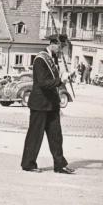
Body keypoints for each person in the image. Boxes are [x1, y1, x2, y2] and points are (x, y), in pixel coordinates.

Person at [21, 35, 74, 174]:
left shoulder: (53, 58)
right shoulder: (40, 59)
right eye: (60, 47)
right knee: (35, 135)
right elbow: (43, 83)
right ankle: (28, 164)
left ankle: (59, 165)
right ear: (52, 44)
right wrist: (60, 80)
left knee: (56, 135)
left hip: (51, 104)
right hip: (40, 103)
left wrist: (64, 78)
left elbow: (54, 80)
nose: (61, 50)